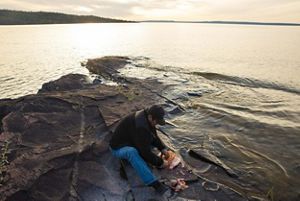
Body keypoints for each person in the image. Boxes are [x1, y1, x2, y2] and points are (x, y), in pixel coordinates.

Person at [109, 104, 172, 196]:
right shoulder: (141, 126)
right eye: (157, 122)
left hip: (130, 140)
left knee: (146, 143)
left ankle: (131, 164)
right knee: (132, 152)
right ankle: (154, 183)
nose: (157, 124)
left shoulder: (146, 116)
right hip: (117, 148)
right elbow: (144, 152)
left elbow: (153, 135)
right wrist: (160, 163)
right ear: (150, 117)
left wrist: (162, 148)